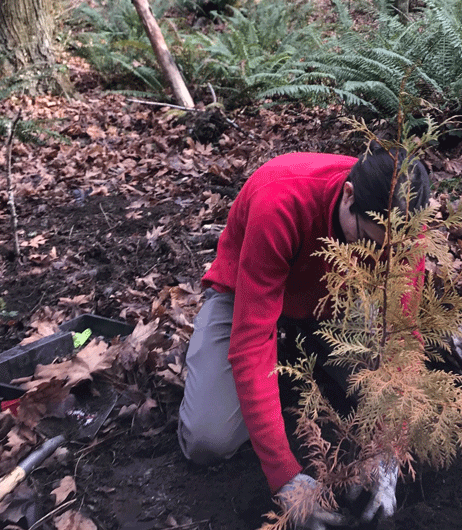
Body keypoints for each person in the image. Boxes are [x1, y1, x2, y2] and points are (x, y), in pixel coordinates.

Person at [177, 142, 430, 529]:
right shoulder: (280, 198)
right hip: (245, 296)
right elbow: (250, 342)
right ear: (348, 196)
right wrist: (286, 478)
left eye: (389, 252)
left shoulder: (405, 225)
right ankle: (284, 357)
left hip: (337, 304)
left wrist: (387, 453)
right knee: (207, 440)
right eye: (369, 243)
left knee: (383, 399)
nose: (378, 259)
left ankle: (301, 352)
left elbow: (402, 337)